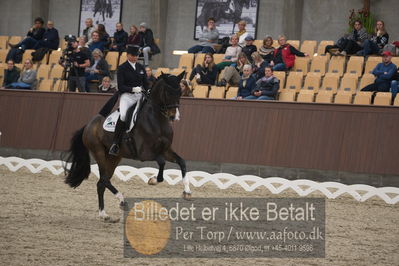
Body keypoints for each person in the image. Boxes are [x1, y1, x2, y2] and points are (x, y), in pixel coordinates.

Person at [109, 45, 149, 156]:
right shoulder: (122, 68)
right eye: (133, 55)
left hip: (140, 95)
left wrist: (148, 90)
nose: (135, 57)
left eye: (137, 55)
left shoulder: (141, 67)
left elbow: (146, 83)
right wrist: (132, 89)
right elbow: (121, 86)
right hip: (127, 96)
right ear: (127, 55)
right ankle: (115, 143)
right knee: (123, 115)